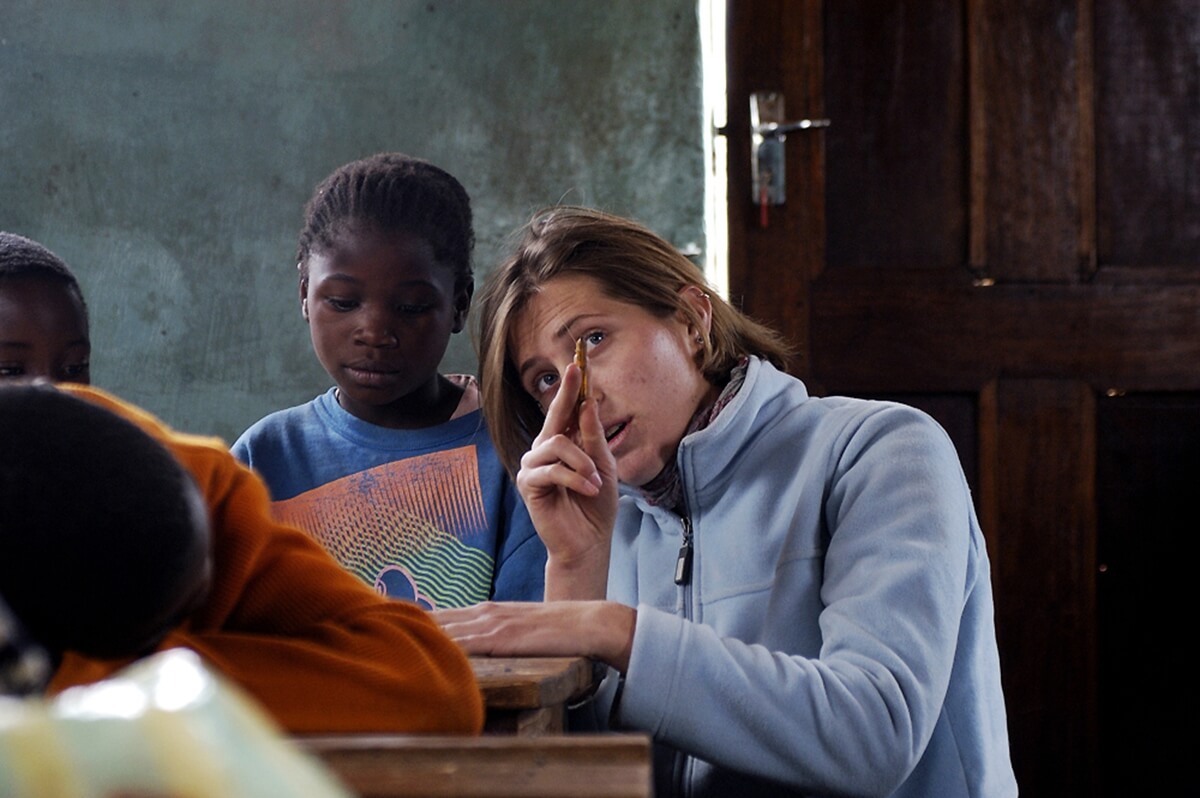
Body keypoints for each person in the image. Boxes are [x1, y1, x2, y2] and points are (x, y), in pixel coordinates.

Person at [435, 207, 1018, 797]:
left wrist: (617, 632)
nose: (576, 392)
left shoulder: (880, 450)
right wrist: (576, 570)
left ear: (693, 320)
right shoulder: (603, 521)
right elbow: (578, 783)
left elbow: (874, 735)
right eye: (544, 379)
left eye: (593, 340)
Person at [0, 231, 483, 735]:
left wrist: (108, 679)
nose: (50, 397)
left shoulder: (186, 493)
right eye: (8, 371)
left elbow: (434, 690)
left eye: (74, 371)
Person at [232, 153, 545, 609]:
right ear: (304, 295)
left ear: (459, 305)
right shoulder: (264, 458)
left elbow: (531, 654)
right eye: (342, 302)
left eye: (412, 307)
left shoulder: (513, 453)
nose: (375, 332)